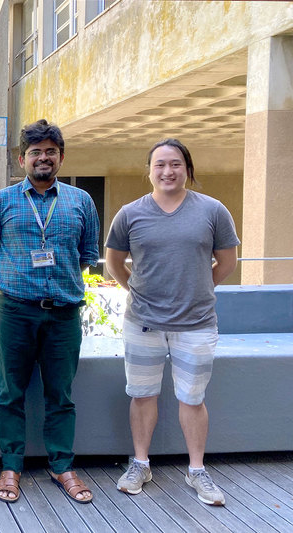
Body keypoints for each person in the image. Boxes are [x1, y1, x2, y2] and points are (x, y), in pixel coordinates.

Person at [106, 138, 239, 506]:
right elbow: (115, 262)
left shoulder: (213, 211)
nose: (168, 171)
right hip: (143, 322)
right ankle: (140, 464)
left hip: (196, 323)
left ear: (188, 169)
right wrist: (136, 288)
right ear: (149, 171)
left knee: (192, 399)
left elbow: (227, 262)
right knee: (142, 394)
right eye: (160, 164)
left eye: (176, 164)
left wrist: (198, 287)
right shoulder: (130, 213)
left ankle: (197, 470)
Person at [0, 119, 99, 505]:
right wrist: (21, 286)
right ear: (21, 158)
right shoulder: (0, 202)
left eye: (50, 151)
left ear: (60, 157)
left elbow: (86, 256)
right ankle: (11, 466)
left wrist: (54, 285)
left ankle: (62, 465)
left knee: (60, 394)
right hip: (15, 312)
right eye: (35, 152)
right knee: (10, 392)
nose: (42, 157)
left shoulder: (81, 202)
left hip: (64, 314)